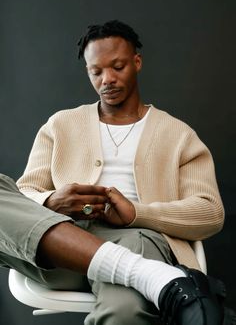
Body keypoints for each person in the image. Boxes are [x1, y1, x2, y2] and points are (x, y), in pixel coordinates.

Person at [0, 20, 232, 325]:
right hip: (60, 249)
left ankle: (144, 272)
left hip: (137, 241)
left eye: (118, 67)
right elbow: (24, 192)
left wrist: (136, 213)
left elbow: (210, 212)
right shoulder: (60, 125)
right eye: (96, 72)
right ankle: (154, 278)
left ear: (136, 62)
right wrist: (51, 202)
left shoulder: (178, 134)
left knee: (125, 314)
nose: (107, 79)